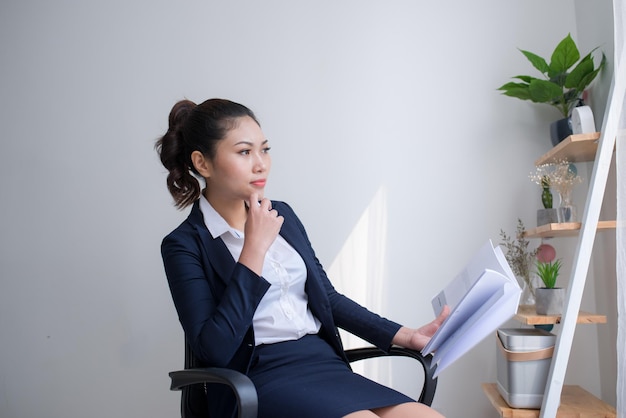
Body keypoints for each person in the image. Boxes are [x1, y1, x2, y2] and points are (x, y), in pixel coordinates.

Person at [156, 98, 449, 418]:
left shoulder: (283, 215)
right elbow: (213, 348)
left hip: (324, 364)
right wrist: (253, 249)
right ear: (203, 163)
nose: (261, 164)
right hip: (257, 378)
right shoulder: (184, 244)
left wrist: (406, 334)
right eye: (244, 152)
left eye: (264, 149)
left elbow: (329, 299)